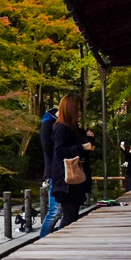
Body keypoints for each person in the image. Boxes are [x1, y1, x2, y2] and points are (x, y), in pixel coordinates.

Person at [49, 94, 95, 228]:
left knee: (73, 216)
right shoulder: (61, 128)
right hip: (66, 181)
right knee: (69, 217)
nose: (79, 114)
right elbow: (59, 151)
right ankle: (60, 242)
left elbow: (86, 146)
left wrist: (89, 139)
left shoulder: (73, 128)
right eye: (77, 110)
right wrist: (82, 147)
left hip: (75, 179)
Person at [39, 107, 61, 237]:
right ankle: (42, 239)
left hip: (56, 170)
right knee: (54, 211)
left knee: (57, 211)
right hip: (53, 171)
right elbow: (47, 148)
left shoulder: (55, 124)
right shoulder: (48, 124)